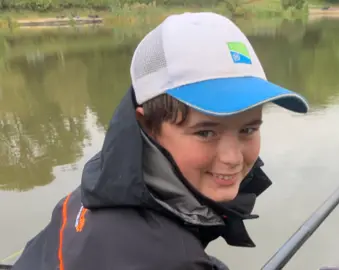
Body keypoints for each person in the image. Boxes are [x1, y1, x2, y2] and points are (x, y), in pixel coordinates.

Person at [11, 12, 309, 270]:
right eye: (206, 132)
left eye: (248, 130)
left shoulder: (102, 181)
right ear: (147, 125)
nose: (233, 157)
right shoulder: (170, 260)